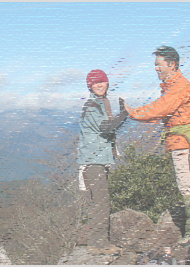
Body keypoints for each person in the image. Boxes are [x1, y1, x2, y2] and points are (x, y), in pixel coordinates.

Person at [123, 46, 190, 243]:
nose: (155, 69)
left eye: (158, 65)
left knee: (187, 186)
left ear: (172, 65)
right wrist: (139, 116)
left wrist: (134, 113)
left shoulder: (179, 87)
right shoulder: (174, 86)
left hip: (182, 143)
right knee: (187, 185)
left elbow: (161, 108)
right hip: (180, 141)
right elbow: (165, 114)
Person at [77, 69, 128, 255]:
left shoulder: (100, 103)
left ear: (107, 83)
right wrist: (124, 113)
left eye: (102, 81)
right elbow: (106, 128)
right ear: (90, 86)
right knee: (100, 202)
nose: (99, 85)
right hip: (93, 161)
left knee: (99, 202)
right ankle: (99, 244)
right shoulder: (92, 106)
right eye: (95, 82)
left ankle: (97, 242)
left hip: (98, 159)